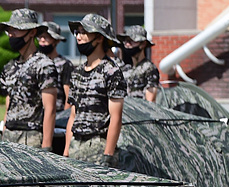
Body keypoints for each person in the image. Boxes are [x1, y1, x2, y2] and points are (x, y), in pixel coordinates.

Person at [64, 13, 126, 167]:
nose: (78, 36)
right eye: (77, 32)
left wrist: (108, 155)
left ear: (99, 38)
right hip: (75, 146)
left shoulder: (111, 71)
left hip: (98, 147)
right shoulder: (77, 72)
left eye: (84, 32)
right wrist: (66, 152)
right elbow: (73, 116)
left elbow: (116, 118)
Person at [0, 9, 56, 150]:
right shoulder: (9, 67)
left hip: (31, 136)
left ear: (32, 32)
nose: (11, 35)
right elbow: (8, 106)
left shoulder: (44, 64)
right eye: (9, 30)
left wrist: (46, 147)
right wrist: (4, 132)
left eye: (17, 30)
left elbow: (50, 108)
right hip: (9, 135)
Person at [37, 22, 73, 113]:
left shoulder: (64, 64)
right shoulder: (35, 63)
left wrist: (63, 118)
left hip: (57, 115)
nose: (42, 40)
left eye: (46, 37)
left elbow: (69, 96)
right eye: (40, 37)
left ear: (56, 40)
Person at [120, 25, 161, 102]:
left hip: (141, 112)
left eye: (131, 41)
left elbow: (150, 101)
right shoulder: (125, 69)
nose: (127, 45)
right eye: (126, 41)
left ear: (143, 44)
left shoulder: (149, 68)